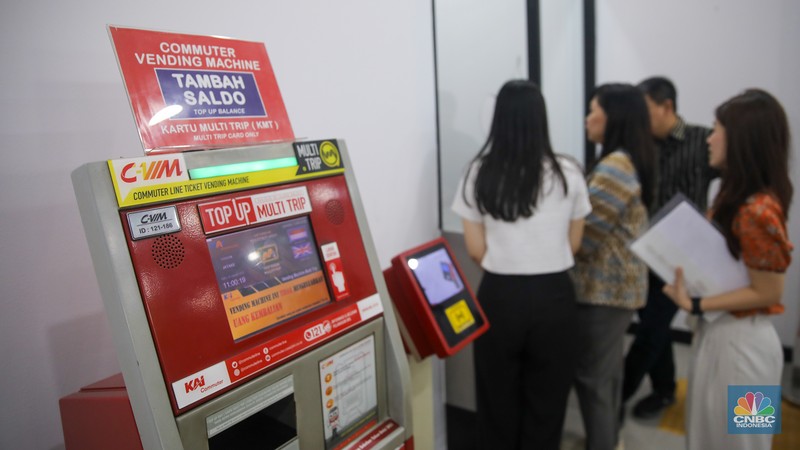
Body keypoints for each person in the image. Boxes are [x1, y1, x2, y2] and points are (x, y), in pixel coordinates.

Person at [451, 79, 591, 449]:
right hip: (555, 296)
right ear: (540, 118)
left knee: (496, 401)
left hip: (500, 295)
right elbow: (574, 244)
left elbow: (476, 250)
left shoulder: (477, 172)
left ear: (499, 119)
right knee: (548, 403)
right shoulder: (568, 172)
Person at [663, 88, 792, 450]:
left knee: (745, 442)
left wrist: (696, 304)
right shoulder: (736, 197)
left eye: (718, 128)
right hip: (722, 336)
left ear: (742, 139)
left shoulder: (757, 210)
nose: (709, 138)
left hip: (744, 349)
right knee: (710, 437)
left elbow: (770, 291)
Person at [622, 76, 719, 419]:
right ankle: (665, 391)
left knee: (651, 332)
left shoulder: (701, 142)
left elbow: (766, 292)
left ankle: (615, 397)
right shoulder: (641, 146)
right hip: (648, 254)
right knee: (656, 328)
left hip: (683, 263)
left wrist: (713, 216)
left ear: (667, 107)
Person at [571, 83, 656, 450]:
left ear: (614, 117)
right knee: (606, 377)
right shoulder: (624, 160)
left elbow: (584, 237)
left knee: (594, 381)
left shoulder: (615, 167)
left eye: (594, 110)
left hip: (603, 292)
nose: (587, 118)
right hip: (614, 292)